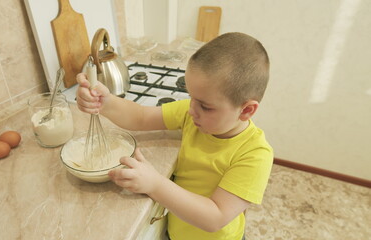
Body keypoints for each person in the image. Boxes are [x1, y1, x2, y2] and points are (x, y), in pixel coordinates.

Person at [76, 32, 273, 240]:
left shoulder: (255, 154)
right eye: (191, 98)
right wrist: (105, 102)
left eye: (205, 106)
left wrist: (155, 184)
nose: (191, 109)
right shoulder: (192, 114)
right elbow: (141, 117)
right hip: (177, 232)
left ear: (247, 111)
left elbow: (215, 217)